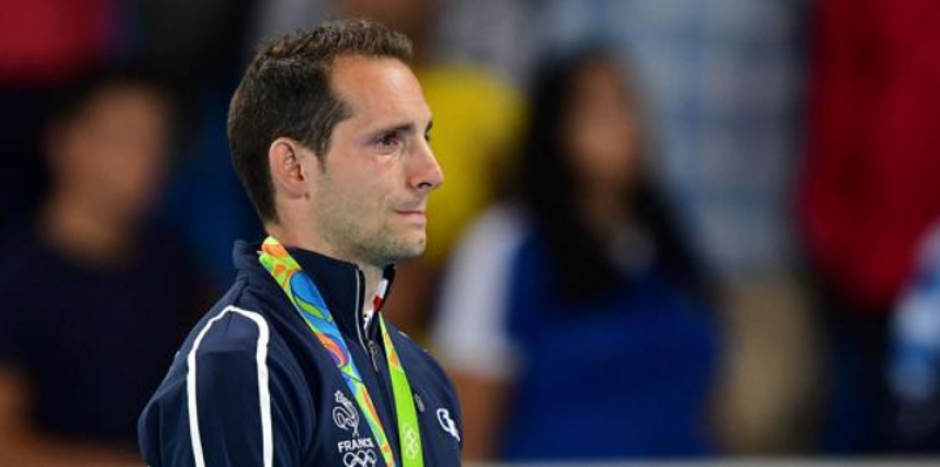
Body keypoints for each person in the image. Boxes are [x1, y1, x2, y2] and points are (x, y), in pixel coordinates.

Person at [138, 20, 462, 467]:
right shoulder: (243, 366)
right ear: (294, 167)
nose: (431, 172)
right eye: (388, 141)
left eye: (423, 137)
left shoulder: (424, 377)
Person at [431, 48, 722, 460]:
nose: (625, 123)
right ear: (555, 128)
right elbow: (470, 426)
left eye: (628, 103)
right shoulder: (504, 246)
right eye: (598, 108)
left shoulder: (663, 245)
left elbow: (700, 405)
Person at [0, 66, 208, 466]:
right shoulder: (17, 279)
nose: (148, 158)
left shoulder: (170, 258)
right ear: (63, 143)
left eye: (158, 140)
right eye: (127, 138)